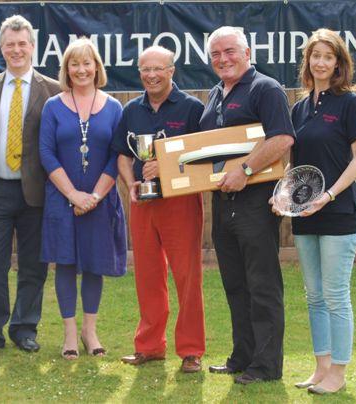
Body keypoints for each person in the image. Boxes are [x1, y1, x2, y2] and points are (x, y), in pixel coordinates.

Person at [272, 28, 356, 395]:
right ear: (308, 62)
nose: (321, 63)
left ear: (339, 63)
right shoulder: (298, 108)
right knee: (314, 296)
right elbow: (295, 166)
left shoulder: (350, 104)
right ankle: (321, 368)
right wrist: (282, 196)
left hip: (338, 213)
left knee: (335, 295)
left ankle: (339, 374)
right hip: (304, 216)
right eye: (316, 56)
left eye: (328, 57)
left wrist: (327, 195)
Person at [199, 26, 295, 384]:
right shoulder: (214, 94)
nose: (223, 59)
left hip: (256, 204)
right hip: (223, 206)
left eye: (229, 52)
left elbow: (283, 137)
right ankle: (242, 356)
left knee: (262, 285)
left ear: (247, 52)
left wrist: (245, 169)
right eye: (216, 55)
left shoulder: (265, 88)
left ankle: (266, 366)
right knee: (235, 284)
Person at [0, 15, 60, 356]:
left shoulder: (53, 90)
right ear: (0, 48)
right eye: (10, 44)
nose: (16, 50)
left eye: (22, 44)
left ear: (32, 47)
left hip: (37, 192)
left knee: (33, 264)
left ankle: (24, 328)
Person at [112, 46, 206, 373]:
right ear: (139, 72)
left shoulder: (193, 108)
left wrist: (165, 168)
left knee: (187, 276)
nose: (151, 75)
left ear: (171, 71)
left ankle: (191, 351)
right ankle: (150, 346)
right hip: (144, 202)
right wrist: (130, 184)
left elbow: (202, 157)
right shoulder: (131, 110)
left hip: (180, 202)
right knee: (148, 276)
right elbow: (123, 155)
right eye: (145, 69)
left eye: (158, 69)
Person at [39, 38, 127, 359]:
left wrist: (93, 196)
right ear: (66, 69)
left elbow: (116, 155)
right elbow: (46, 154)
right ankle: (70, 335)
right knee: (65, 264)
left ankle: (91, 332)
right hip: (62, 200)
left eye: (86, 63)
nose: (81, 69)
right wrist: (74, 195)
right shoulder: (53, 106)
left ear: (96, 67)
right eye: (74, 64)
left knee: (93, 265)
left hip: (100, 202)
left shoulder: (114, 107)